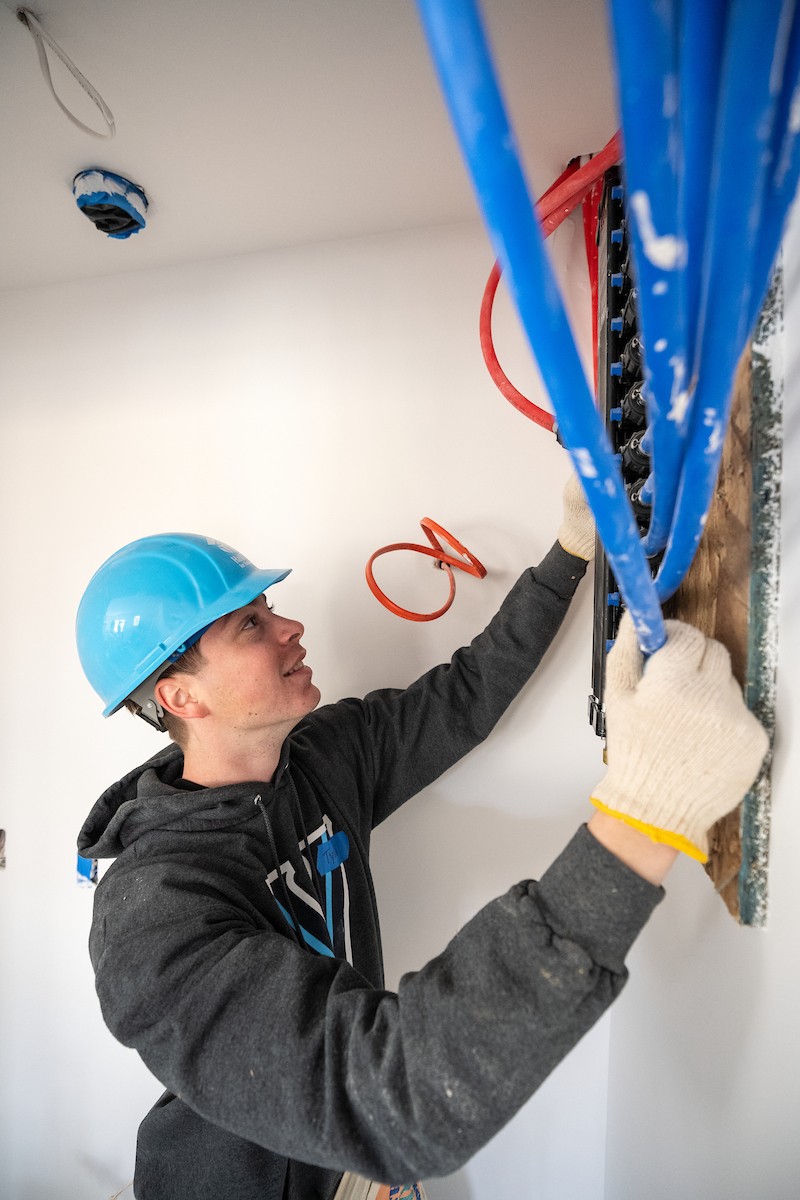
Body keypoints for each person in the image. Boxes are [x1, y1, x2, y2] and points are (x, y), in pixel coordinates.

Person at [75, 482, 767, 1200]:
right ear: (182, 697)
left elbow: (465, 694)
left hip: (364, 1154)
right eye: (250, 624)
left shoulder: (323, 756)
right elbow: (393, 1098)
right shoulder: (152, 916)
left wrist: (569, 551)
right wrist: (643, 819)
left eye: (270, 608)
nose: (290, 628)